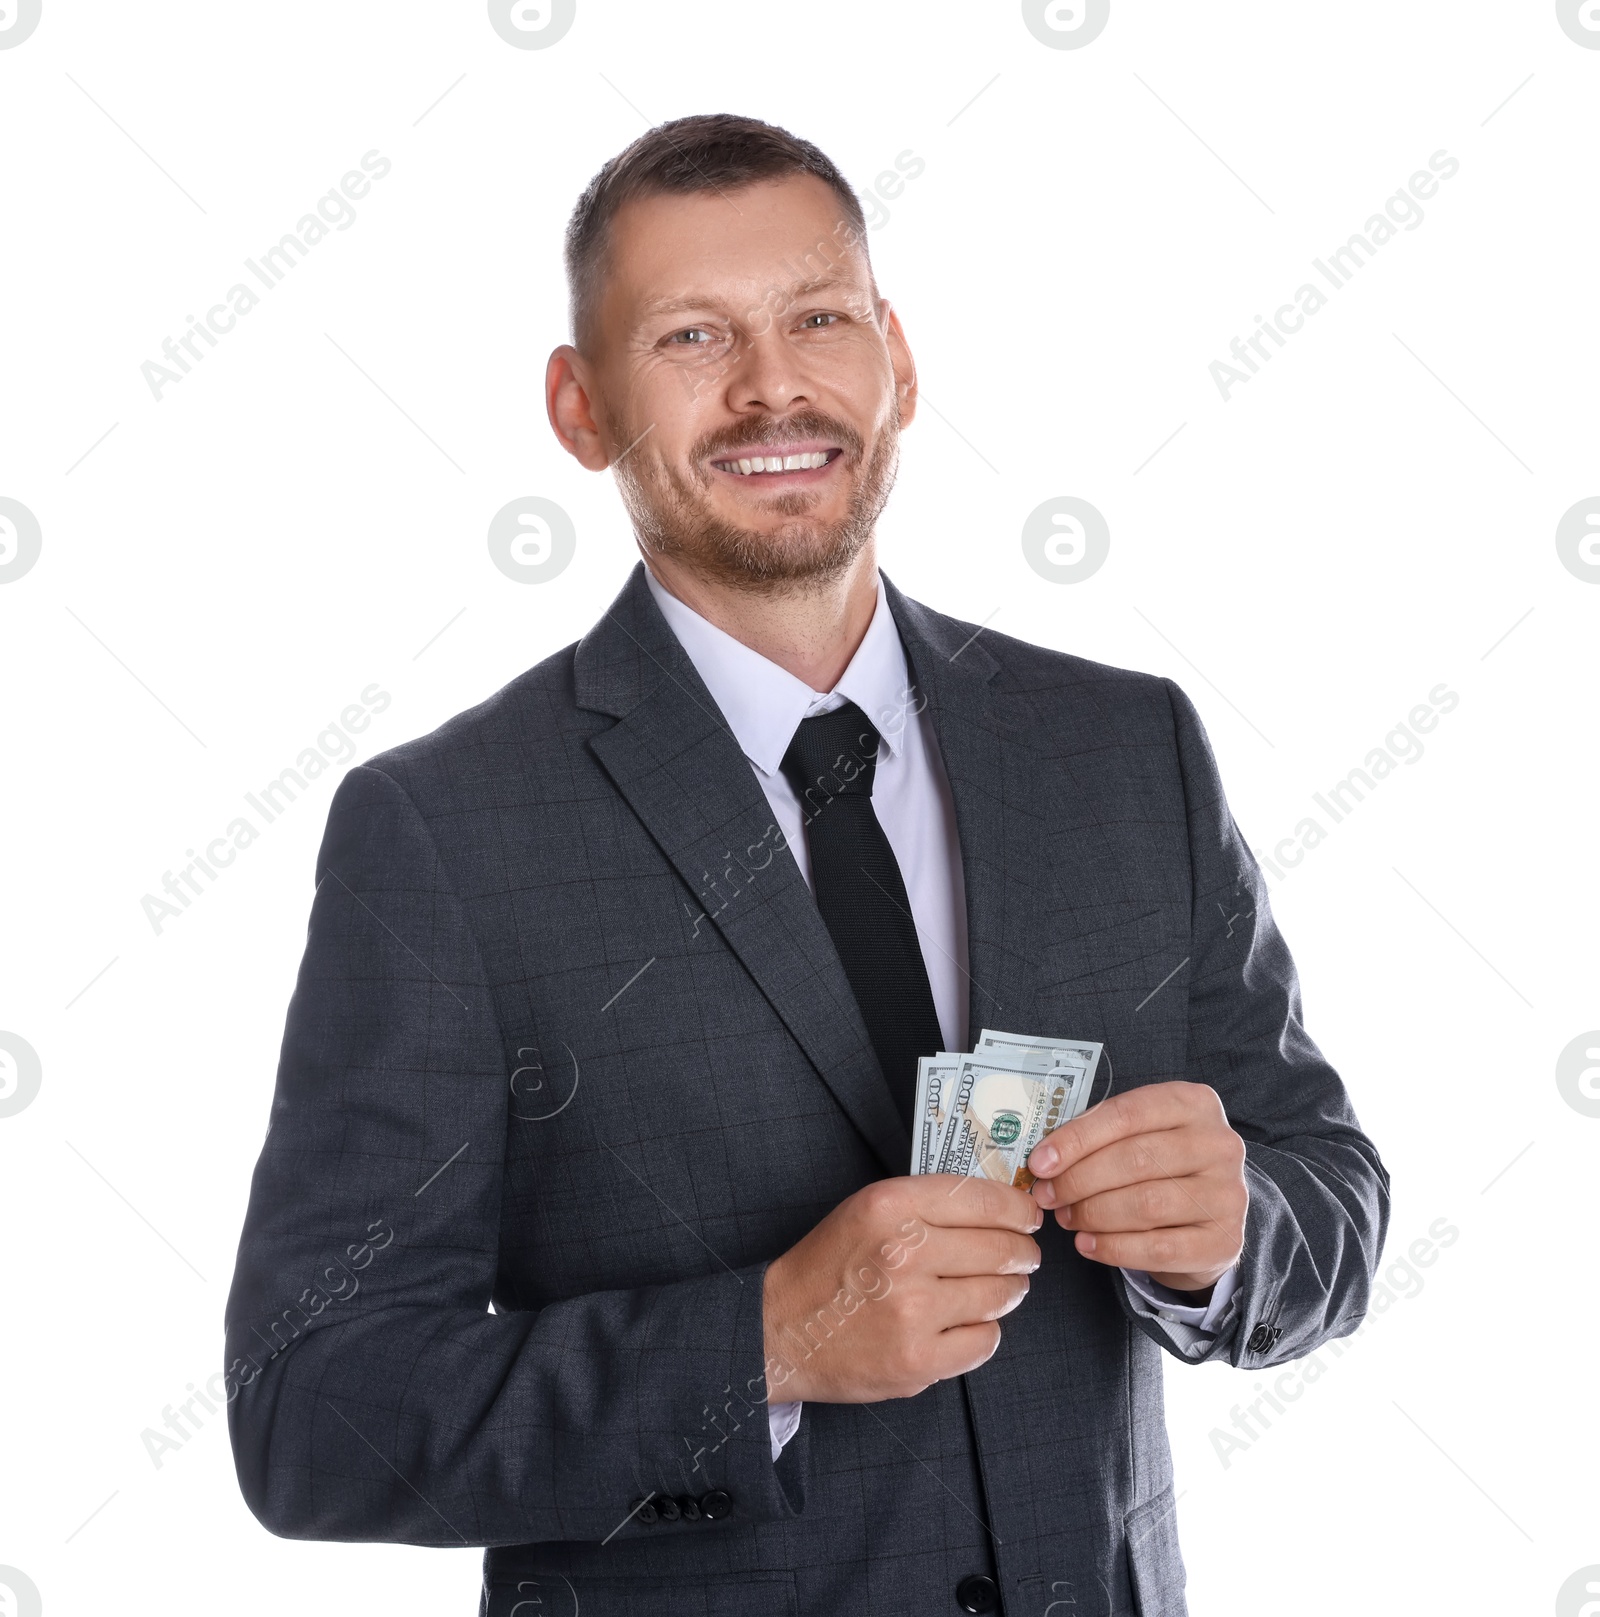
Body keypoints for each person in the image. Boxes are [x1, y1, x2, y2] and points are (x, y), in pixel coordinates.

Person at [225, 113, 1388, 1617]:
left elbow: (1329, 1192)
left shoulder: (1122, 746)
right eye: (694, 335)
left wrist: (1233, 1237)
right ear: (580, 408)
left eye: (819, 318)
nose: (774, 384)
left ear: (897, 357)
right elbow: (312, 1407)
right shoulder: (443, 831)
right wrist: (763, 1342)